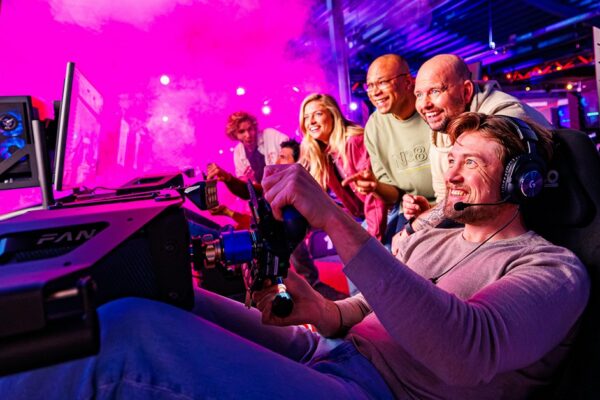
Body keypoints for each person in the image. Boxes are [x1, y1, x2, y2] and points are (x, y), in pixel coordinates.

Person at [0, 113, 588, 399]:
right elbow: (363, 309)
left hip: (377, 394)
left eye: (472, 163)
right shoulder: (437, 228)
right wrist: (319, 310)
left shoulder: (552, 270)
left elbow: (464, 352)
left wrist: (334, 219)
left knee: (127, 336)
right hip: (330, 351)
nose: (451, 175)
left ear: (523, 182)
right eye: (450, 158)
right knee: (156, 296)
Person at [401, 54, 552, 238]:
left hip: (536, 223)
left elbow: (487, 197)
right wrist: (430, 210)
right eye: (418, 94)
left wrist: (415, 227)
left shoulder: (505, 116)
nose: (424, 104)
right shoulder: (442, 127)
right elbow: (447, 199)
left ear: (466, 91)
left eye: (435, 91)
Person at [208, 138, 346, 299]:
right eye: (278, 156)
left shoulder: (300, 190)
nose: (277, 161)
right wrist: (228, 179)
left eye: (283, 157)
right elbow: (248, 191)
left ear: (297, 164)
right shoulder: (276, 184)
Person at [342, 54, 435, 244]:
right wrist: (375, 186)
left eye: (383, 82)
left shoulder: (433, 110)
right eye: (370, 86)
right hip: (408, 210)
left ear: (408, 82)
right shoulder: (374, 127)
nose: (375, 92)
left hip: (448, 205)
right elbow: (394, 196)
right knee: (384, 254)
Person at [299, 93, 387, 240]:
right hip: (368, 218)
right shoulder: (324, 154)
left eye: (318, 114)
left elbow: (375, 197)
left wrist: (374, 239)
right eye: (306, 117)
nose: (311, 121)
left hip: (388, 213)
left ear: (333, 115)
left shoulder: (354, 142)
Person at [206, 111, 289, 199]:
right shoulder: (238, 153)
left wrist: (279, 164)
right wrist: (247, 180)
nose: (248, 135)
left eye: (250, 129)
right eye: (241, 131)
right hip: (266, 197)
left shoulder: (270, 134)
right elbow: (245, 186)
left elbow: (291, 148)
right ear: (234, 134)